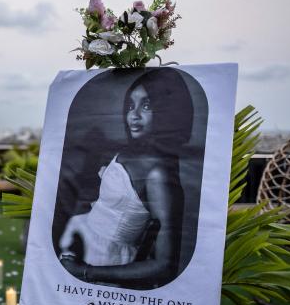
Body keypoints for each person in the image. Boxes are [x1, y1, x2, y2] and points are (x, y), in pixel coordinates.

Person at [58, 68, 193, 289]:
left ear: (167, 111)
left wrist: (86, 271)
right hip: (81, 239)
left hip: (103, 263)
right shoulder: (128, 152)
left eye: (146, 106)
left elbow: (164, 264)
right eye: (131, 105)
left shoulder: (158, 175)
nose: (134, 115)